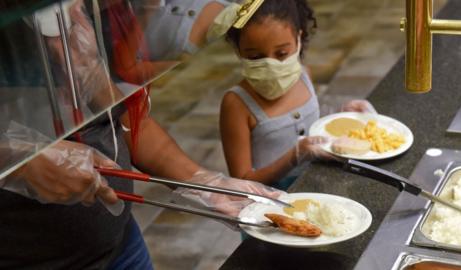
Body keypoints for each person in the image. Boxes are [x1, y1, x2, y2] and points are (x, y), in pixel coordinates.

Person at [0, 1, 282, 269]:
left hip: (121, 245)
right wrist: (22, 160)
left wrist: (203, 183)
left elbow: (126, 121)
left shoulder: (65, 19)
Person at [219, 0, 376, 190]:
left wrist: (342, 114)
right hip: (276, 201)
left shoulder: (303, 75)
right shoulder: (236, 104)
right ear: (238, 50)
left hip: (319, 184)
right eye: (255, 57)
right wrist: (294, 156)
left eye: (282, 53)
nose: (271, 65)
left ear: (298, 40)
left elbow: (310, 128)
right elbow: (242, 181)